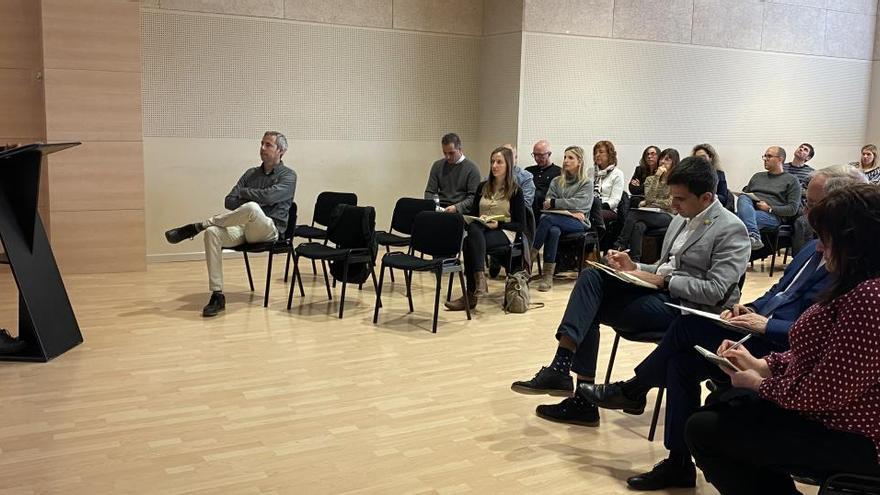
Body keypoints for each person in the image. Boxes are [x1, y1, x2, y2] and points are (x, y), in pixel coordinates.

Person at [579, 164, 866, 491]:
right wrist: (752, 308)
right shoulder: (812, 249)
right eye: (807, 202)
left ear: (842, 210)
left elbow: (822, 339)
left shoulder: (854, 269)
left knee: (687, 330)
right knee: (680, 362)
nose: (805, 212)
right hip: (760, 334)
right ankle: (677, 462)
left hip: (782, 344)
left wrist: (768, 326)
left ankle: (634, 390)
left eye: (812, 205)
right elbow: (778, 291)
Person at [510, 157, 750, 427]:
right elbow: (662, 267)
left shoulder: (731, 229)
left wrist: (664, 281)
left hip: (688, 311)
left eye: (680, 199)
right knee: (592, 278)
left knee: (590, 306)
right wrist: (634, 266)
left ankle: (578, 393)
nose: (673, 205)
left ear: (706, 198)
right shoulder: (681, 218)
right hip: (662, 296)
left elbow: (716, 291)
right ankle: (564, 367)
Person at [686, 184, 880, 495]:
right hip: (836, 416)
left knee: (708, 428)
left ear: (854, 243)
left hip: (858, 435)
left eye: (826, 239)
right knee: (721, 407)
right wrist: (763, 364)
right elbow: (818, 353)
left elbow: (826, 391)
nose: (818, 247)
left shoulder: (870, 296)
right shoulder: (857, 286)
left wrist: (759, 383)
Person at [164, 131, 297, 317]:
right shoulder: (250, 173)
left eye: (268, 145)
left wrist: (245, 193)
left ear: (281, 150)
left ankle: (198, 225)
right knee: (212, 233)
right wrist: (252, 196)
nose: (262, 148)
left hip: (270, 229)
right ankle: (217, 295)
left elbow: (270, 196)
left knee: (251, 207)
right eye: (262, 144)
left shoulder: (289, 176)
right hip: (243, 228)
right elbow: (229, 201)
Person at [445, 147, 525, 311]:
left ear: (508, 165)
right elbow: (474, 213)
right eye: (492, 162)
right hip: (482, 230)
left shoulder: (516, 191)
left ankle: (471, 294)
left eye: (499, 162)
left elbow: (521, 225)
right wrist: (472, 219)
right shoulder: (483, 187)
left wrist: (499, 224)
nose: (494, 165)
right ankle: (479, 280)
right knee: (473, 230)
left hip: (504, 232)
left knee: (468, 242)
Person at [529, 146, 593, 292]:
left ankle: (529, 259)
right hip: (560, 219)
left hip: (579, 222)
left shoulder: (586, 183)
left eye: (570, 158)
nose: (565, 161)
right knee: (553, 230)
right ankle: (547, 276)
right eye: (565, 157)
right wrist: (569, 210)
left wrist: (555, 204)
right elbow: (547, 201)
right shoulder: (557, 181)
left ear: (580, 162)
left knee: (547, 219)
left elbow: (582, 204)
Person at [613, 148, 679, 261]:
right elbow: (648, 198)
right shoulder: (650, 179)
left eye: (667, 159)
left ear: (674, 163)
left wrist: (653, 203)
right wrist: (657, 177)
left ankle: (619, 245)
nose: (663, 162)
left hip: (668, 216)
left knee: (634, 213)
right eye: (662, 158)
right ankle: (635, 260)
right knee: (639, 225)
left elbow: (669, 204)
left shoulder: (676, 181)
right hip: (651, 215)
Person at [736, 146, 802, 251]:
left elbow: (793, 209)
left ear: (780, 159)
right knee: (743, 197)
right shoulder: (757, 176)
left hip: (773, 216)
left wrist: (769, 208)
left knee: (737, 221)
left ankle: (751, 238)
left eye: (769, 156)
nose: (765, 159)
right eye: (765, 156)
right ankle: (753, 235)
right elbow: (747, 198)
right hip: (752, 211)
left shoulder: (792, 180)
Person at [423, 133, 481, 213]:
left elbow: (473, 198)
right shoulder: (437, 166)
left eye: (451, 153)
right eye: (445, 153)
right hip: (440, 209)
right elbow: (430, 192)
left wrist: (457, 207)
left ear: (460, 149)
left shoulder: (472, 169)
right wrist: (433, 206)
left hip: (459, 212)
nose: (447, 157)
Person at [785, 143, 816, 254]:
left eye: (805, 150)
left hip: (799, 205)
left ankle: (800, 257)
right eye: (800, 147)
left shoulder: (811, 173)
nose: (801, 149)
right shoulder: (783, 167)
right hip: (781, 202)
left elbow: (811, 192)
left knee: (803, 222)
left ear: (808, 157)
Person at [525, 140, 561, 223]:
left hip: (545, 207)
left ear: (549, 154)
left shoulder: (559, 172)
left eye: (541, 155)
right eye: (535, 155)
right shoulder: (528, 171)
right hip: (528, 204)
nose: (537, 158)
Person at [593, 140, 625, 223]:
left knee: (593, 215)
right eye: (595, 152)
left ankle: (595, 235)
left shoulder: (617, 174)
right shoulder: (590, 171)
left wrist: (599, 206)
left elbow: (615, 200)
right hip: (589, 205)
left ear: (609, 154)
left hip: (608, 209)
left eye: (601, 152)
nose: (597, 155)